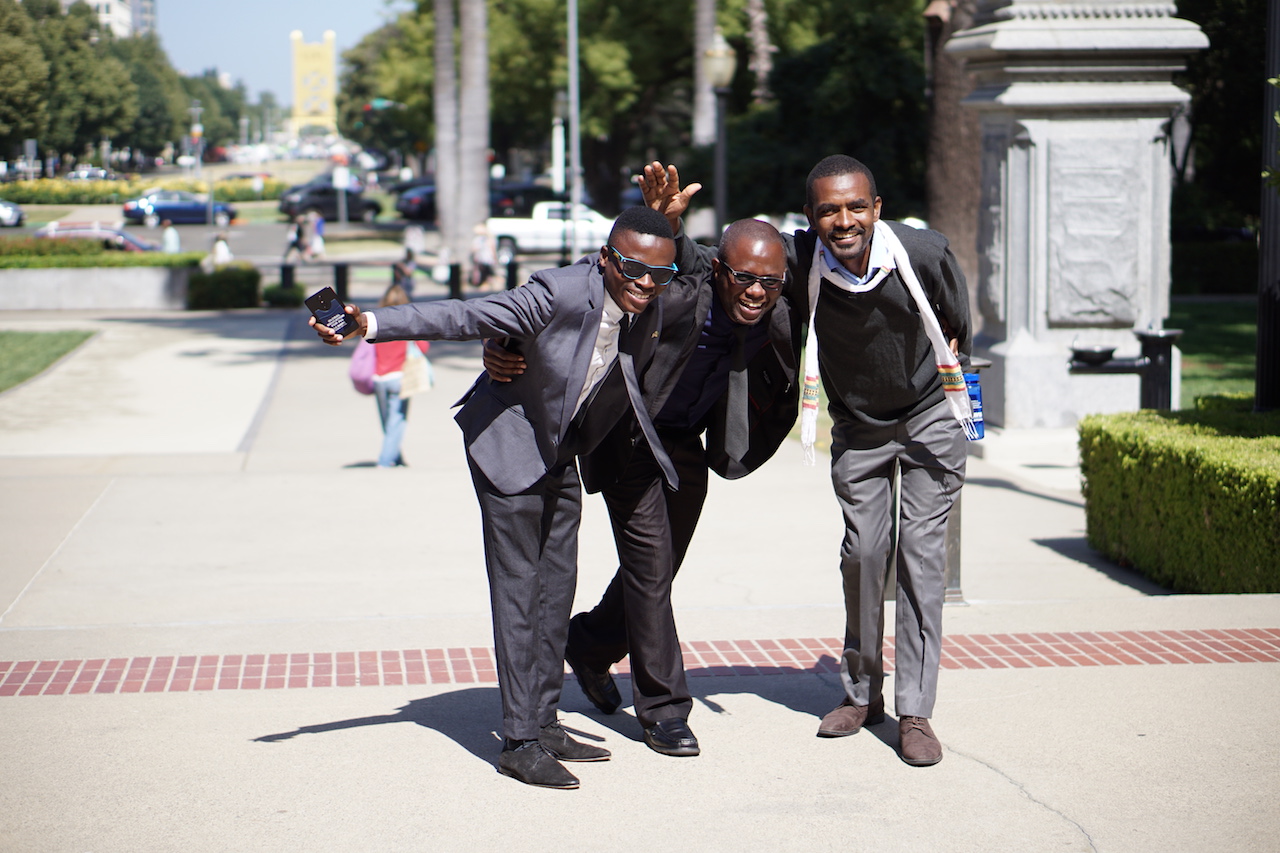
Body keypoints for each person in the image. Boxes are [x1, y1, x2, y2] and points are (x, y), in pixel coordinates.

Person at [310, 207, 683, 790]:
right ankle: (519, 739)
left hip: (560, 450)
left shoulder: (648, 295)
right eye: (634, 269)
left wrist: (665, 223)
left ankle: (545, 718)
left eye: (659, 275)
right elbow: (464, 314)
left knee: (558, 586)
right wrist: (368, 322)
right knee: (520, 589)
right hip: (508, 446)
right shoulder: (555, 293)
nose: (646, 284)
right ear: (608, 259)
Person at [642, 157, 972, 767]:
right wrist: (666, 229)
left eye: (854, 207)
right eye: (828, 210)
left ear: (876, 207)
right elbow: (715, 262)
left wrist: (958, 354)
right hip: (858, 425)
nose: (843, 221)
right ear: (811, 215)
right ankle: (861, 694)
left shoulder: (921, 253)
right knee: (863, 556)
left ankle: (916, 711)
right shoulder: (799, 260)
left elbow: (955, 310)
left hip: (928, 416)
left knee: (922, 562)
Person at [484, 212, 801, 758]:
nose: (755, 291)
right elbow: (583, 290)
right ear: (718, 269)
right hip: (628, 438)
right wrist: (503, 340)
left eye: (770, 282)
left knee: (656, 570)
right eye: (744, 277)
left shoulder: (778, 315)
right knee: (651, 568)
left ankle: (589, 643)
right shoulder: (674, 298)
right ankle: (664, 709)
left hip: (685, 445)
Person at [370, 284, 429, 468]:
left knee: (388, 422)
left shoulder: (377, 323)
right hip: (399, 377)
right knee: (397, 421)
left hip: (380, 377)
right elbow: (423, 346)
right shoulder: (407, 323)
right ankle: (385, 461)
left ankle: (396, 457)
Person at [469, 222, 497, 290]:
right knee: (486, 271)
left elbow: (474, 248)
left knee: (485, 271)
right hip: (484, 258)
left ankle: (486, 284)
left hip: (483, 258)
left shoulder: (482, 238)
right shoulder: (485, 238)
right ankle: (486, 284)